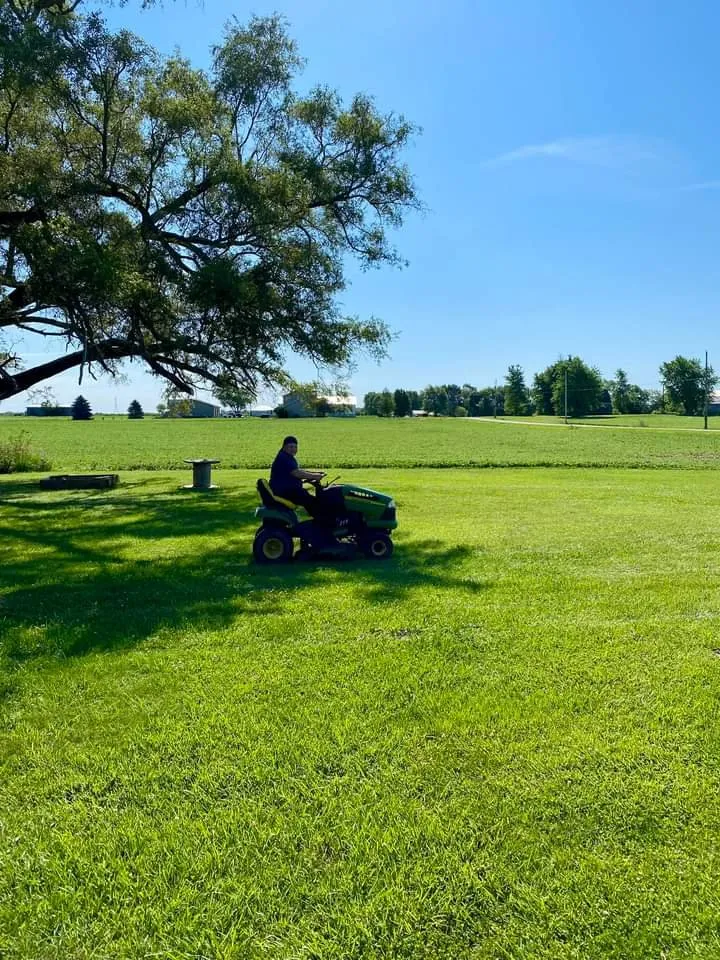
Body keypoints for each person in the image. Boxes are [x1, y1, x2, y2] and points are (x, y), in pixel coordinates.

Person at [270, 436, 345, 528]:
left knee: (309, 499)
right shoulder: (284, 458)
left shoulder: (286, 457)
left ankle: (323, 522)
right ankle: (326, 523)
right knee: (312, 502)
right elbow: (297, 473)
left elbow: (298, 471)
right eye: (290, 447)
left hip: (287, 490)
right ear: (284, 447)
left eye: (295, 447)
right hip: (286, 491)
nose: (293, 449)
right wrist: (315, 476)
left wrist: (314, 474)